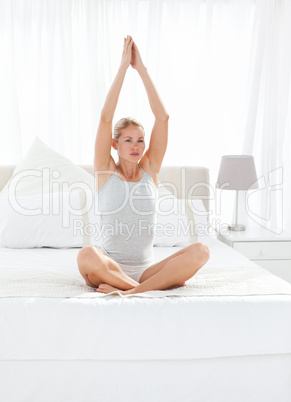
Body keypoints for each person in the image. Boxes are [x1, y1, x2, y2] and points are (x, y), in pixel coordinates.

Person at [77, 35, 210, 295]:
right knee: (86, 255)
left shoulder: (150, 170)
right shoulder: (105, 170)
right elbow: (105, 119)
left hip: (147, 269)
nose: (135, 146)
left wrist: (142, 69)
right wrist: (123, 68)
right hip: (108, 267)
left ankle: (130, 290)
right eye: (128, 140)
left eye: (140, 140)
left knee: (201, 251)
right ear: (115, 145)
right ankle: (148, 289)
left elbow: (163, 117)